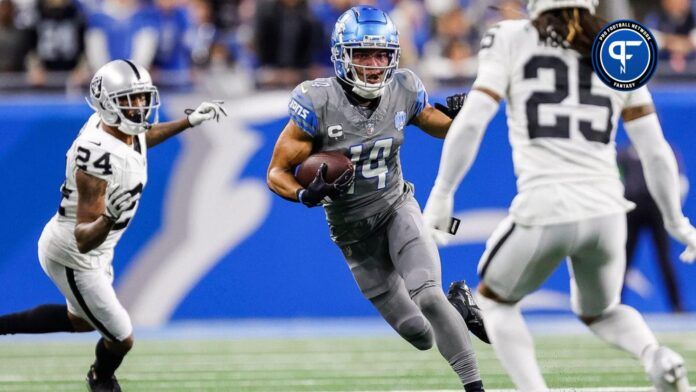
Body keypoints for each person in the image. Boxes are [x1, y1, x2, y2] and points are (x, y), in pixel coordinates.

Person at [423, 0, 695, 391]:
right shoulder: (618, 43)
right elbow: (655, 150)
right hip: (607, 211)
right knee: (602, 312)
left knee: (494, 303)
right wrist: (676, 221)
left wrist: (443, 192)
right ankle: (657, 355)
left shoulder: (512, 36)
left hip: (545, 204)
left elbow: (473, 119)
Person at [267, 6, 485, 391]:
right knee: (420, 334)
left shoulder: (403, 88)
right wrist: (304, 193)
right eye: (363, 54)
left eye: (381, 54)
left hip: (396, 207)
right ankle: (460, 308)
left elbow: (440, 127)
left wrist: (463, 117)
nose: (373, 63)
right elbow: (276, 173)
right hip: (353, 236)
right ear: (341, 55)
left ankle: (475, 385)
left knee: (429, 295)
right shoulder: (317, 102)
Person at [0, 59, 226, 392]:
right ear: (107, 105)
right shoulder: (96, 155)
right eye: (128, 100)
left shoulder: (119, 129)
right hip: (74, 254)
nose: (139, 107)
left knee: (80, 321)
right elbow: (82, 239)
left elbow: (143, 139)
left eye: (141, 98)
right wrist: (108, 217)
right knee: (121, 336)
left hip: (94, 248)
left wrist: (189, 122)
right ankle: (100, 378)